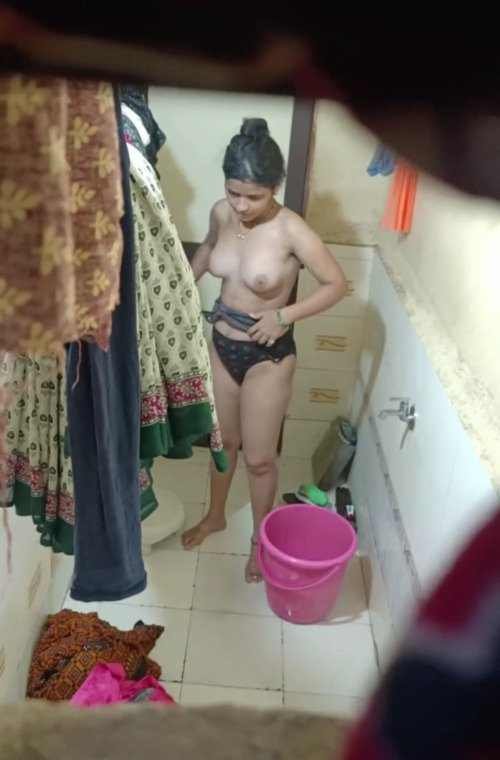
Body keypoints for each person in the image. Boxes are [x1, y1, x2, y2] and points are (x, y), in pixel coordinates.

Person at [182, 118, 346, 581]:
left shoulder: (292, 230)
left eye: (252, 196)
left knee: (259, 459)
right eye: (233, 192)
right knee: (222, 445)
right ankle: (215, 515)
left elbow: (337, 284)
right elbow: (207, 249)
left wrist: (285, 315)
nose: (241, 205)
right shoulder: (221, 213)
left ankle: (260, 541)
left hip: (267, 359)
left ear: (275, 187)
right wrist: (180, 285)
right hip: (221, 345)